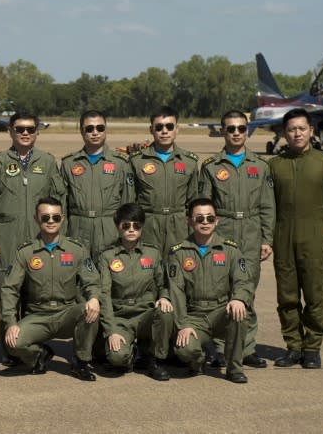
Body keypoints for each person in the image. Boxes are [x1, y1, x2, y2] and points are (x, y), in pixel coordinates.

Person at [0, 112, 65, 365]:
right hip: (7, 240)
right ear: (10, 131)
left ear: (37, 132)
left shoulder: (48, 163)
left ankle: (30, 345)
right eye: (20, 129)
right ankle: (11, 350)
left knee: (34, 297)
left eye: (30, 129)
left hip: (39, 241)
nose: (25, 133)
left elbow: (59, 202)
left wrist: (58, 236)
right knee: (9, 296)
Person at [269, 108, 323, 369]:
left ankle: (312, 348)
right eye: (291, 129)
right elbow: (267, 205)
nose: (297, 133)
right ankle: (293, 346)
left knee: (314, 296)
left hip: (314, 237)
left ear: (311, 131)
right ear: (284, 133)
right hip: (282, 237)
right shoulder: (276, 165)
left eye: (302, 128)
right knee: (287, 297)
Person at [198, 110, 275, 369]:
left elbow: (267, 206)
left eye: (241, 128)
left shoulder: (260, 166)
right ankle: (221, 348)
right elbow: (205, 207)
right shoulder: (211, 167)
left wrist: (267, 238)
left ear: (247, 130)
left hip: (251, 234)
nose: (236, 133)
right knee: (221, 292)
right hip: (223, 232)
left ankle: (247, 347)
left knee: (247, 291)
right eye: (230, 128)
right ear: (222, 131)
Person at [2, 197, 101, 381]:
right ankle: (39, 354)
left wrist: (94, 297)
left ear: (62, 218)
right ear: (36, 218)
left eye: (55, 217)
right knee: (13, 343)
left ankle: (81, 361)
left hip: (67, 313)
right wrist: (11, 322)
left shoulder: (76, 249)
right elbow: (10, 289)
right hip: (38, 315)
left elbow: (92, 280)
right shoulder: (25, 252)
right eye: (45, 217)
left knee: (90, 310)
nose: (50, 221)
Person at [168, 198, 253, 384]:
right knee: (185, 349)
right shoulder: (179, 252)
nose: (205, 222)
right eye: (199, 219)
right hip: (194, 315)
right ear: (189, 221)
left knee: (239, 313)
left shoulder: (230, 250)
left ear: (217, 221)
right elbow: (176, 291)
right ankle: (198, 360)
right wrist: (183, 324)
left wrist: (239, 298)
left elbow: (243, 281)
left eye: (209, 218)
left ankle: (234, 368)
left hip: (221, 311)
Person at [98, 203, 173, 380]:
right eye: (126, 225)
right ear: (118, 226)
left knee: (164, 312)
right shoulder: (107, 256)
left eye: (136, 225)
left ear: (142, 227)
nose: (131, 230)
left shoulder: (152, 253)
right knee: (117, 359)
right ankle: (132, 353)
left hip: (145, 313)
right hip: (121, 317)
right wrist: (111, 331)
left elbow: (163, 283)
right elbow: (104, 295)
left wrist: (164, 297)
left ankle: (155, 360)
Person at [127, 106, 199, 255]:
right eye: (159, 127)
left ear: (177, 129)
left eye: (169, 126)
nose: (164, 131)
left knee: (178, 271)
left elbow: (194, 202)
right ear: (151, 129)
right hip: (148, 226)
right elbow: (129, 202)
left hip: (178, 227)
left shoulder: (189, 162)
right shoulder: (137, 161)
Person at [60, 110, 131, 259]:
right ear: (81, 131)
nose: (95, 132)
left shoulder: (120, 163)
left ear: (106, 130)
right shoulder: (69, 163)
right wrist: (61, 236)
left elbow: (128, 203)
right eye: (89, 129)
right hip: (77, 230)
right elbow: (62, 204)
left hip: (110, 230)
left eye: (100, 128)